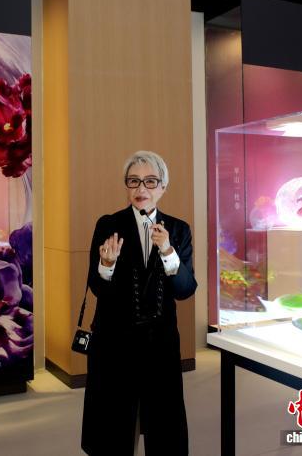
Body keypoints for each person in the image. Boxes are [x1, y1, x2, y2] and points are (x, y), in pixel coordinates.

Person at [81, 150, 197, 456]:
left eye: (150, 181)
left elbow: (185, 290)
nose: (141, 188)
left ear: (163, 187)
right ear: (126, 185)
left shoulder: (178, 229)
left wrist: (168, 251)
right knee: (113, 427)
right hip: (115, 341)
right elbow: (96, 287)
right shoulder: (109, 225)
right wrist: (106, 265)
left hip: (160, 343)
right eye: (133, 181)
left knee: (164, 425)